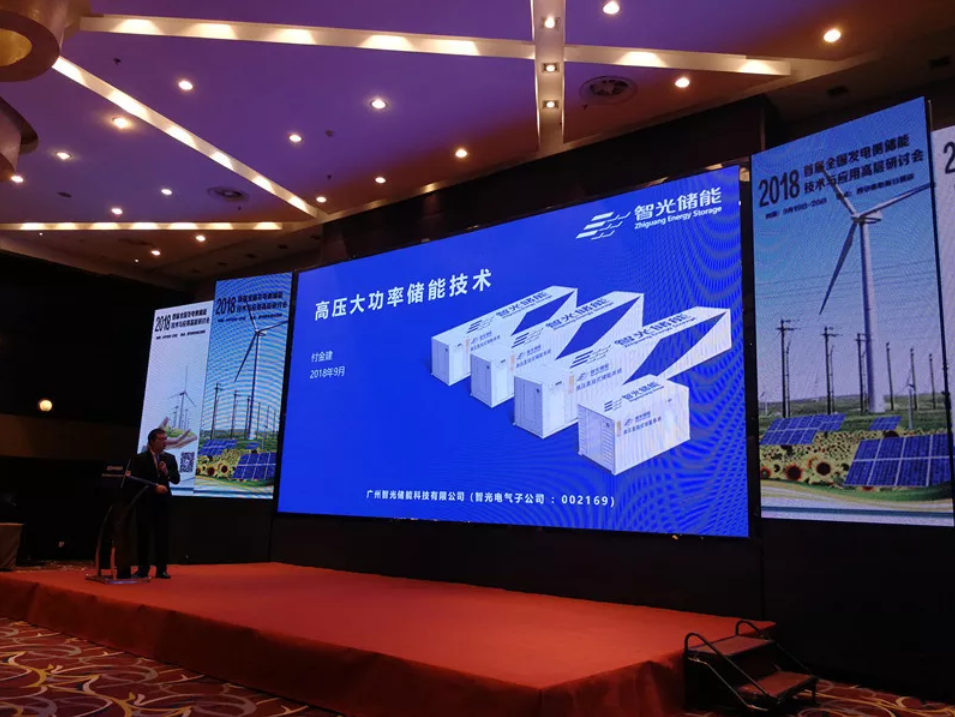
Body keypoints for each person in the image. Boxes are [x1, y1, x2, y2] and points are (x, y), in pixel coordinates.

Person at [127, 428, 180, 579]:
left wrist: (166, 472)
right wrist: (153, 488)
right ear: (152, 441)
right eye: (161, 440)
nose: (165, 443)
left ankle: (161, 569)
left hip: (163, 504)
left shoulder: (169, 458)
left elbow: (176, 479)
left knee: (162, 536)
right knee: (143, 536)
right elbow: (135, 480)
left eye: (165, 439)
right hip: (145, 503)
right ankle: (143, 568)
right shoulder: (139, 459)